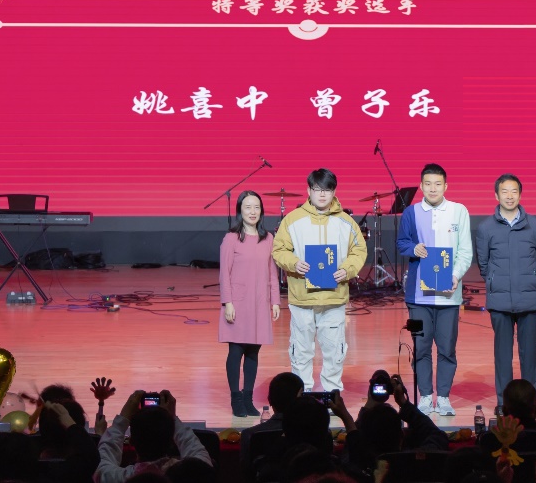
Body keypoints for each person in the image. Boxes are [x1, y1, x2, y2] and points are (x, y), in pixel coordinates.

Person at [272, 168, 367, 393]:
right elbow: (279, 250)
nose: (322, 194)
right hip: (302, 299)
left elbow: (359, 251)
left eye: (327, 189)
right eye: (317, 189)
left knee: (334, 352)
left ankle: (332, 396)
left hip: (333, 299)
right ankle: (301, 395)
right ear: (309, 191)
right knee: (301, 351)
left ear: (334, 191)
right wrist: (294, 263)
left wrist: (347, 269)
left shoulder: (346, 222)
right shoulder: (293, 220)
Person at [395, 163, 473, 416]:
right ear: (421, 186)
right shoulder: (411, 212)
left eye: (437, 184)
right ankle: (426, 396)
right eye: (427, 184)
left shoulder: (459, 211)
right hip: (418, 296)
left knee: (447, 348)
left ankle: (444, 397)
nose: (432, 188)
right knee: (421, 347)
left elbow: (465, 251)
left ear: (445, 186)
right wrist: (413, 248)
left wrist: (455, 275)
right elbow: (401, 242)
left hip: (449, 296)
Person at [474, 173, 536, 413]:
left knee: (529, 355)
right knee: (503, 355)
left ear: (520, 194)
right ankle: (503, 401)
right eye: (504, 191)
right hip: (500, 300)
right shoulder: (485, 228)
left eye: (514, 191)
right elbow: (483, 264)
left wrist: (532, 279)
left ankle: (530, 402)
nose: (509, 196)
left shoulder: (535, 225)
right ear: (496, 195)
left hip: (529, 299)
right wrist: (495, 281)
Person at [220, 189, 282, 417]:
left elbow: (272, 272)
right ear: (240, 211)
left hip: (259, 303)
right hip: (238, 303)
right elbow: (224, 274)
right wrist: (227, 302)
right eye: (248, 207)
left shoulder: (268, 239)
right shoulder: (231, 238)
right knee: (236, 351)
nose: (253, 211)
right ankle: (236, 399)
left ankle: (248, 399)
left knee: (254, 352)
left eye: (256, 207)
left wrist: (275, 301)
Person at [96, 390, 212, 482]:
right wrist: (173, 418)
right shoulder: (192, 475)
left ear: (131, 441)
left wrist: (123, 417)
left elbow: (102, 462)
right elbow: (199, 455)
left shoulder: (118, 478)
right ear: (172, 442)